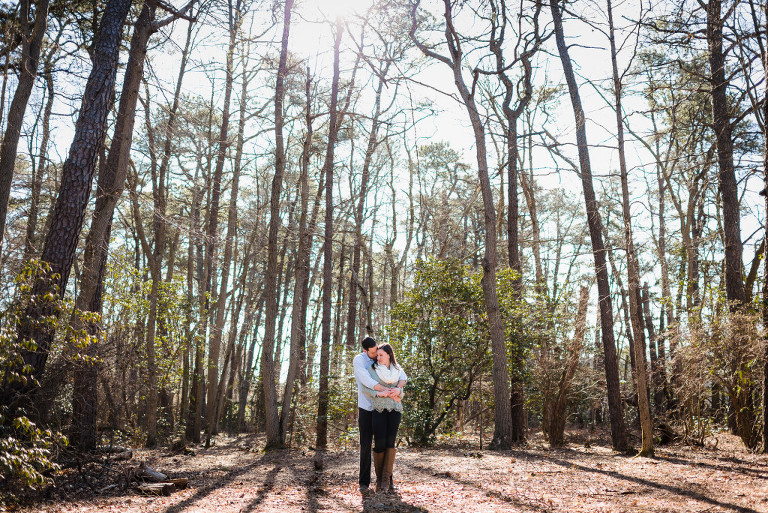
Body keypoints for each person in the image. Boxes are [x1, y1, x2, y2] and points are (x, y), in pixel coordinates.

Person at [353, 336, 406, 493]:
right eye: (373, 352)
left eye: (378, 351)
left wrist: (398, 390)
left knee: (385, 442)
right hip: (366, 406)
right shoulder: (360, 360)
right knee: (366, 444)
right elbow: (366, 382)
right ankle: (364, 482)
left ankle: (386, 480)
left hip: (382, 408)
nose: (376, 354)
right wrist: (386, 392)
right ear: (365, 351)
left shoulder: (381, 358)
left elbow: (400, 373)